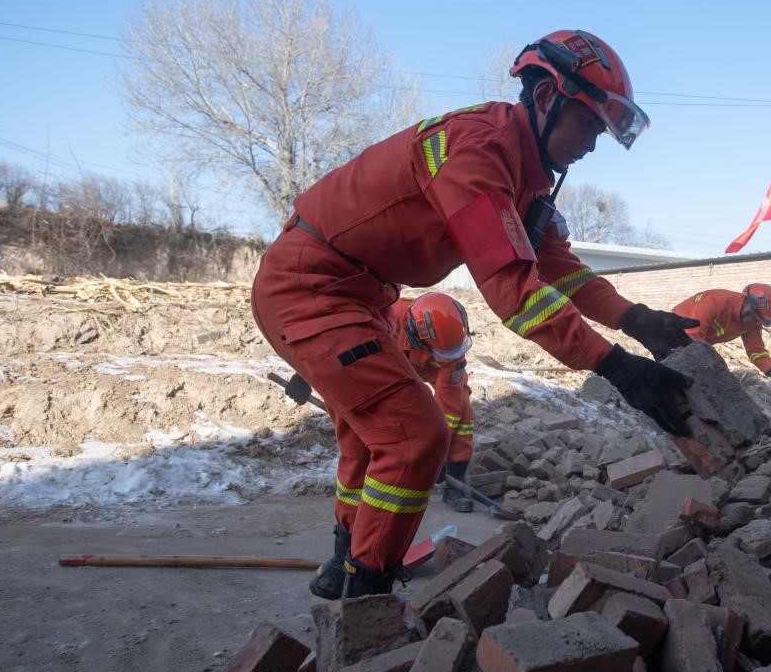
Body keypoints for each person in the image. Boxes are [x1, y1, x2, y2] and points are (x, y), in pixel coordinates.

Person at [250, 29, 698, 600]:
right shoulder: (477, 151)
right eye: (588, 124)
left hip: (361, 294)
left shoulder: (524, 177)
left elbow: (561, 268)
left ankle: (346, 564)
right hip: (310, 285)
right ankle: (368, 601)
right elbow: (515, 290)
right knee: (414, 437)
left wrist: (636, 318)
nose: (592, 145)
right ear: (545, 99)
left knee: (370, 441)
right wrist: (619, 368)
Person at [388, 292, 477, 514]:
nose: (451, 356)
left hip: (430, 370)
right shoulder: (386, 316)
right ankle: (391, 473)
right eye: (444, 352)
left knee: (462, 412)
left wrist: (437, 453)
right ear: (418, 335)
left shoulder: (452, 349)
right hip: (391, 365)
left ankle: (455, 480)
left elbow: (450, 402)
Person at [672, 284, 771, 389]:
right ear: (747, 301)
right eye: (754, 317)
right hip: (672, 332)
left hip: (696, 342)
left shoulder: (752, 323)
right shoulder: (714, 302)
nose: (754, 323)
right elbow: (693, 335)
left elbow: (756, 350)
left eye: (758, 321)